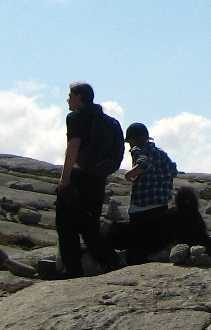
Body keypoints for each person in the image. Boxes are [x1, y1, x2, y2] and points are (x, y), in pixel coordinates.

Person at [56, 82, 125, 277]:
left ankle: (73, 271)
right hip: (97, 178)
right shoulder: (108, 121)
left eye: (70, 95)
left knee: (66, 226)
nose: (68, 99)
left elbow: (74, 146)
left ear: (79, 97)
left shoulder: (76, 117)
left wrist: (64, 178)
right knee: (89, 226)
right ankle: (110, 262)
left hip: (77, 177)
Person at [108, 122, 178, 264]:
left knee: (136, 244)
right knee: (155, 240)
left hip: (141, 206)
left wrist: (130, 173)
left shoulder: (137, 149)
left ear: (133, 140)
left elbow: (144, 164)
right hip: (161, 204)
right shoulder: (161, 153)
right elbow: (173, 170)